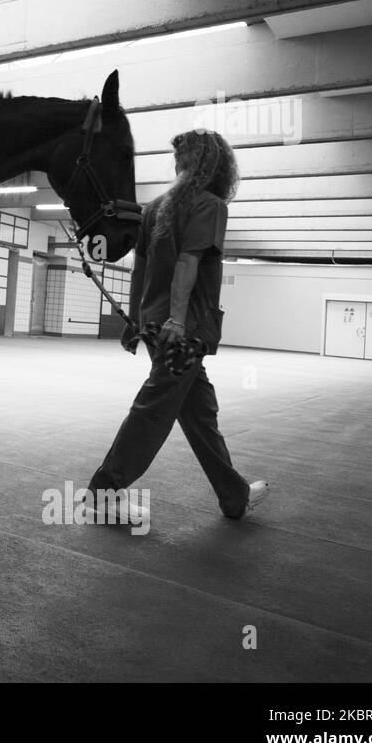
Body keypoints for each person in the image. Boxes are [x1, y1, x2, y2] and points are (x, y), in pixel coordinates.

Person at [84, 129, 267, 523]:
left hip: (157, 326)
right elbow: (189, 261)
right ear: (219, 166)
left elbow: (142, 269)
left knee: (200, 413)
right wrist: (178, 319)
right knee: (155, 408)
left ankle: (233, 495)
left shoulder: (155, 207)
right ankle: (104, 492)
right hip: (183, 330)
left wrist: (135, 322)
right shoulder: (210, 205)